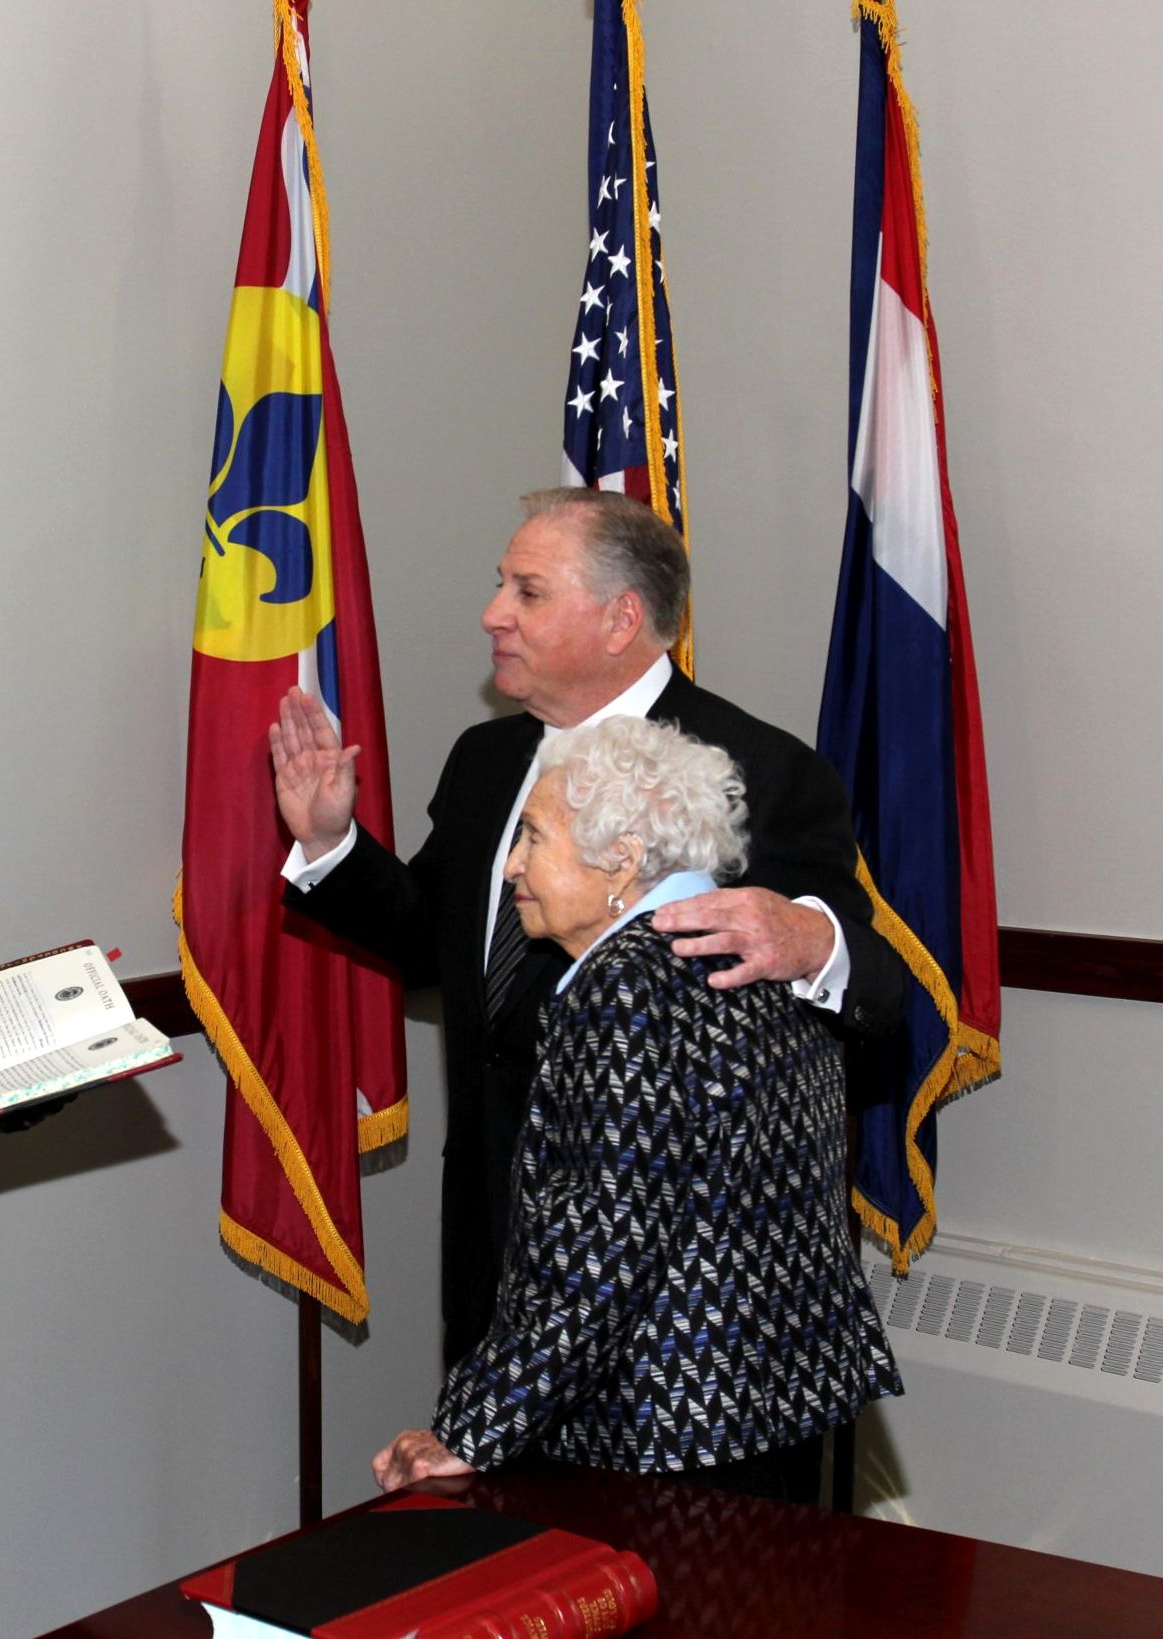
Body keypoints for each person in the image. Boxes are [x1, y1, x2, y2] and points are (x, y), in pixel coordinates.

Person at [270, 488, 902, 1363]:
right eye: (502, 586)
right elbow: (435, 948)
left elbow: (875, 991)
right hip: (498, 1257)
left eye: (527, 591)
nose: (493, 614)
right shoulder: (485, 760)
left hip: (679, 1305)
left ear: (620, 620)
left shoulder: (760, 770)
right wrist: (331, 842)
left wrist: (811, 939)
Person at [370, 717, 901, 1504]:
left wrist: (469, 1428)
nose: (511, 865)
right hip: (777, 1412)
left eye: (535, 839)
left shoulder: (624, 985)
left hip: (662, 1433)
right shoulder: (761, 943)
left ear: (620, 856)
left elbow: (602, 1248)